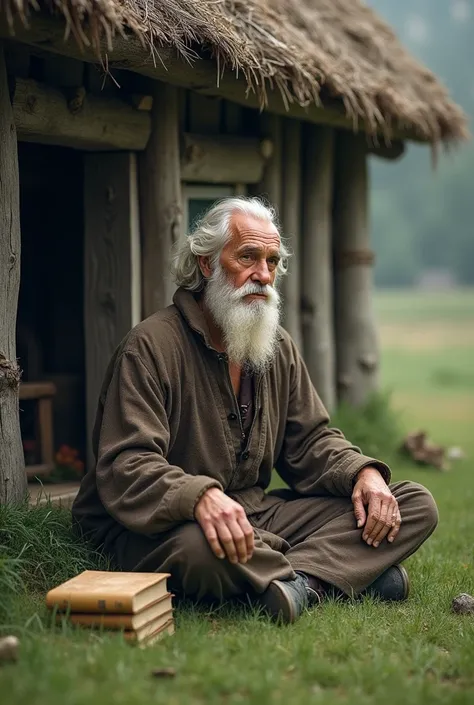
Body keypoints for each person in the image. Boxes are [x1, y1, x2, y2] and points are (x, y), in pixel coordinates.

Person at [72, 197, 438, 623]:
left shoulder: (276, 347)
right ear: (206, 264)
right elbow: (126, 464)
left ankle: (298, 583)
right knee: (203, 551)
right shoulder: (150, 347)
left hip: (254, 514)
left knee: (412, 504)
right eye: (247, 257)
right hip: (158, 525)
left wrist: (364, 474)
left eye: (271, 261)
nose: (263, 275)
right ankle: (342, 574)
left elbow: (311, 442)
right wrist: (199, 497)